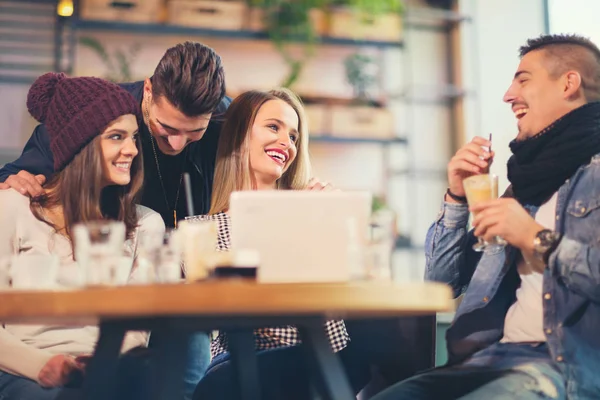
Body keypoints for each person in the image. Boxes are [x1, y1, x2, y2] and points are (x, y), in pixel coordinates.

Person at [371, 33, 600, 400]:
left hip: (565, 366)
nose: (508, 95)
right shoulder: (522, 186)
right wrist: (457, 199)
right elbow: (442, 285)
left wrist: (536, 239)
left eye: (523, 79)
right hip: (492, 359)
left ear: (568, 84)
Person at [0, 41, 228, 396]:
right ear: (148, 93)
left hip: (120, 347)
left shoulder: (221, 123)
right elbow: (38, 175)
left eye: (194, 133)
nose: (179, 144)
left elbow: (268, 155)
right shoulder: (92, 115)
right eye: (167, 128)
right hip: (28, 368)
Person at [189, 88, 371, 400]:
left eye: (294, 137)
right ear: (238, 135)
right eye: (274, 127)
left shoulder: (316, 210)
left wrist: (325, 229)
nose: (287, 144)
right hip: (238, 365)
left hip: (321, 360)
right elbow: (218, 316)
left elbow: (336, 336)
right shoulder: (200, 231)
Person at [0, 72, 165, 399]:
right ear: (80, 147)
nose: (132, 149)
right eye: (116, 137)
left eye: (134, 137)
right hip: (26, 372)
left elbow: (137, 327)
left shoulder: (147, 225)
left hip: (112, 372)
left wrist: (106, 362)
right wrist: (42, 365)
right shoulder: (12, 208)